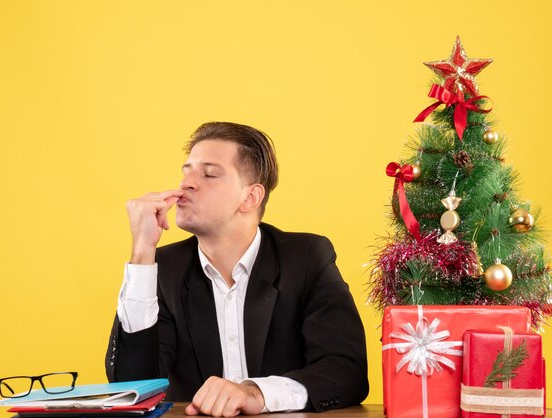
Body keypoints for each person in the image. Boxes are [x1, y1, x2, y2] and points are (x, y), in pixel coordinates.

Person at [105, 121, 368, 417]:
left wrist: (256, 392)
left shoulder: (307, 258)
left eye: (209, 173)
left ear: (250, 197)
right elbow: (133, 389)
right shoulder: (161, 269)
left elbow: (347, 372)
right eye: (186, 171)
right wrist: (142, 252)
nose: (186, 184)